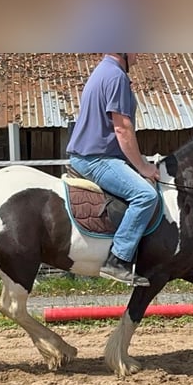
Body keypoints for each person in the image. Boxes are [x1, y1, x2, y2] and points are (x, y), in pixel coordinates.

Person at [67, 53, 160, 287]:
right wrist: (143, 167)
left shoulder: (104, 71)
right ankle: (118, 260)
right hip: (98, 158)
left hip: (93, 154)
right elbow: (122, 129)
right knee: (145, 195)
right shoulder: (116, 76)